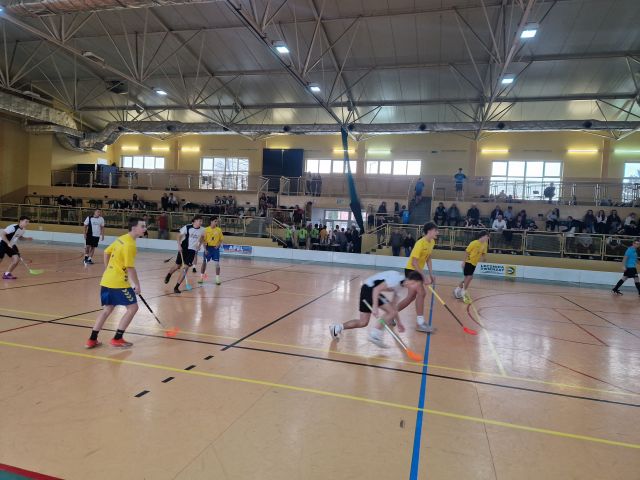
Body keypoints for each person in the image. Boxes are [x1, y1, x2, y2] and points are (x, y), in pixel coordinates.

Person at [85, 217, 146, 349]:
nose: (145, 229)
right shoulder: (130, 245)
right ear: (134, 228)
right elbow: (130, 268)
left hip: (107, 280)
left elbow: (106, 252)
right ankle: (117, 338)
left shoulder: (121, 238)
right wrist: (137, 285)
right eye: (142, 226)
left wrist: (108, 269)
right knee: (133, 308)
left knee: (107, 310)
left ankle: (92, 340)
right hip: (118, 283)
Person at [329, 270, 424, 347]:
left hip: (369, 290)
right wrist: (375, 306)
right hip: (369, 289)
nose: (417, 288)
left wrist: (399, 323)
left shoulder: (400, 287)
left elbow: (394, 307)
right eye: (417, 284)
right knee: (390, 312)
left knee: (363, 322)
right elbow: (376, 289)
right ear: (411, 281)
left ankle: (336, 327)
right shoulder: (396, 279)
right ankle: (375, 335)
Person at [396, 222, 439, 333]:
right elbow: (414, 262)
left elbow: (428, 258)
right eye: (435, 230)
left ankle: (391, 314)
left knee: (410, 298)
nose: (437, 233)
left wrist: (431, 273)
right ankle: (420, 323)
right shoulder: (420, 243)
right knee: (422, 293)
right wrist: (424, 277)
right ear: (429, 231)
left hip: (417, 271)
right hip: (411, 271)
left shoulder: (432, 242)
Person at [164, 215, 204, 294]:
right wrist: (179, 246)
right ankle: (169, 274)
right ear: (195, 221)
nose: (201, 222)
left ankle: (176, 287)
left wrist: (199, 245)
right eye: (199, 221)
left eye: (201, 221)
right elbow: (178, 236)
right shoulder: (187, 227)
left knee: (185, 268)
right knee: (177, 266)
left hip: (192, 251)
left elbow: (202, 237)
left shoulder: (202, 230)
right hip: (184, 248)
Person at [454, 230, 489, 302]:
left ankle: (457, 289)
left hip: (474, 263)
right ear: (482, 236)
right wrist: (463, 262)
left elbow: (483, 253)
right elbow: (467, 252)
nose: (488, 238)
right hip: (468, 261)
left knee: (467, 278)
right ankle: (464, 291)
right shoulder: (474, 243)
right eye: (487, 236)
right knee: (469, 277)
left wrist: (484, 257)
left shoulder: (485, 244)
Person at [201, 217, 223, 285]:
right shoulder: (206, 229)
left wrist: (219, 245)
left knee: (217, 264)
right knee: (204, 263)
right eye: (215, 221)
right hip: (208, 248)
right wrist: (205, 249)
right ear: (211, 221)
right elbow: (203, 240)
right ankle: (201, 278)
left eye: (217, 221)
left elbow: (221, 239)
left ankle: (217, 279)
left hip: (215, 249)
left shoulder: (219, 230)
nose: (216, 223)